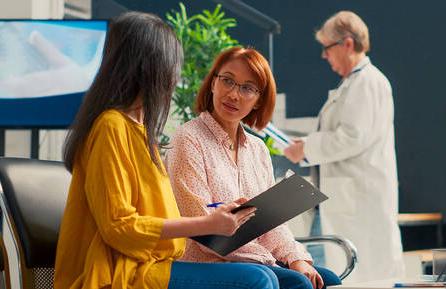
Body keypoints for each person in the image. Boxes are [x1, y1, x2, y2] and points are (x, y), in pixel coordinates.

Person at [54, 12, 286, 289]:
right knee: (257, 280)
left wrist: (214, 218)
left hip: (152, 265)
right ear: (150, 68)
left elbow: (157, 217)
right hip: (121, 274)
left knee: (276, 279)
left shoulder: (142, 131)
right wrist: (207, 225)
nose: (175, 77)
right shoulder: (111, 127)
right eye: (172, 66)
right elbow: (119, 228)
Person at [166, 47, 341, 289]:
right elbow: (202, 227)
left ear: (259, 100)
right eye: (227, 81)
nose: (233, 94)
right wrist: (272, 262)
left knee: (329, 280)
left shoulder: (257, 149)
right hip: (206, 260)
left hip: (251, 258)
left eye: (247, 88)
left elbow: (271, 222)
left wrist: (296, 258)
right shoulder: (188, 139)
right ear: (213, 83)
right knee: (297, 282)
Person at [283, 11, 404, 282]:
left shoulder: (369, 82)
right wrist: (308, 146)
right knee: (353, 273)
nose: (325, 56)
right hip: (349, 197)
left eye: (327, 48)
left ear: (347, 44)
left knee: (369, 276)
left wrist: (307, 148)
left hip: (361, 200)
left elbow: (352, 136)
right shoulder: (353, 83)